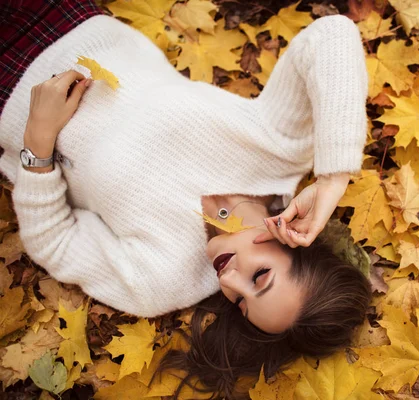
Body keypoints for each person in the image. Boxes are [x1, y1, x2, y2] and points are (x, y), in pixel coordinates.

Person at [0, 0, 372, 398]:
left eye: (241, 305)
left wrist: (37, 140)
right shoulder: (279, 149)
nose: (227, 280)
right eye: (259, 277)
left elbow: (55, 243)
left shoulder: (160, 281)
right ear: (295, 241)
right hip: (60, 18)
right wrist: (334, 177)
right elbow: (330, 36)